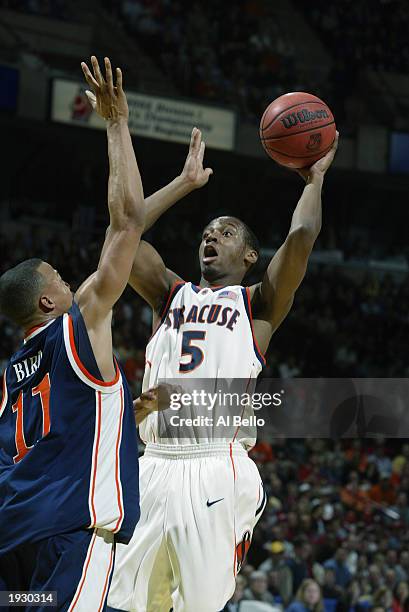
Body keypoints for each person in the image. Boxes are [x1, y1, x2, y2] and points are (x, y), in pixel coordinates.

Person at [107, 127, 339, 612]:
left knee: (200, 606)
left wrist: (313, 181)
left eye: (226, 232)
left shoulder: (258, 305)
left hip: (216, 465)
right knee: (127, 603)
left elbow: (301, 236)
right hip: (152, 465)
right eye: (208, 231)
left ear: (250, 257)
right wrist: (183, 184)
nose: (212, 235)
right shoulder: (169, 293)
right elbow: (121, 233)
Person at [0, 56, 146, 611]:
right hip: (71, 535)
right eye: (61, 277)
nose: (71, 280)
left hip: (15, 545)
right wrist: (116, 123)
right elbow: (127, 223)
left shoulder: (7, 381)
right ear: (46, 300)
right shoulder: (76, 326)